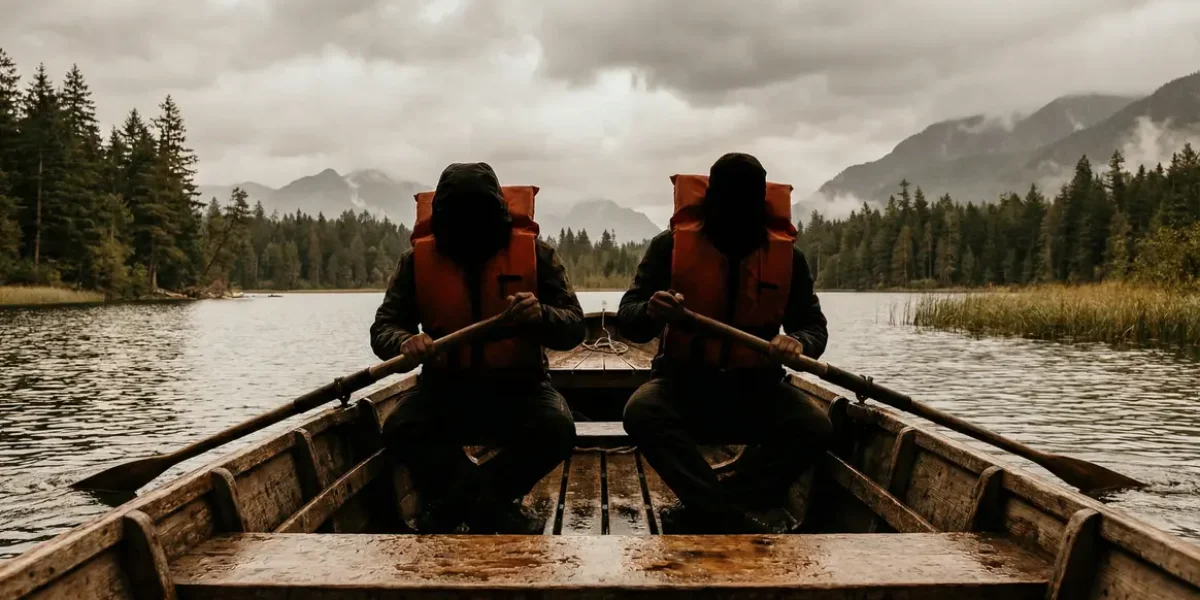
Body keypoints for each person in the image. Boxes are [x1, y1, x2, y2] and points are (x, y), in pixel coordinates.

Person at [617, 152, 833, 534]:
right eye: (726, 201)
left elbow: (813, 325)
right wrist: (652, 311)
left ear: (761, 204)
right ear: (709, 199)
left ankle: (719, 505)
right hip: (684, 385)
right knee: (641, 411)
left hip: (756, 390)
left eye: (745, 202)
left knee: (815, 425)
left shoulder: (788, 258)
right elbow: (629, 318)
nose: (734, 213)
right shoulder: (669, 247)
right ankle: (725, 514)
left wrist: (798, 342)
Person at [370, 162, 584, 535]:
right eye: (458, 221)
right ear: (442, 219)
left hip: (521, 389)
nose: (469, 230)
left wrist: (542, 315)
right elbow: (383, 328)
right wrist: (404, 342)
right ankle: (496, 511)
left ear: (498, 213)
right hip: (445, 391)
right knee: (401, 427)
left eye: (479, 219)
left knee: (558, 429)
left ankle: (456, 507)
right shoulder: (415, 262)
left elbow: (574, 327)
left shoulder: (538, 255)